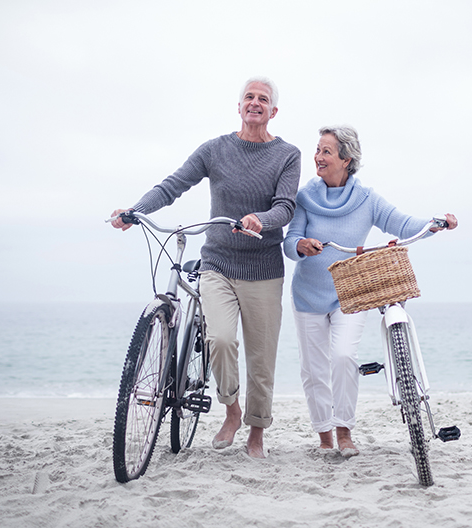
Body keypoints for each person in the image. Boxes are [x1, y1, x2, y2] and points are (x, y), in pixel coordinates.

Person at [110, 77, 301, 458]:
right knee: (220, 340)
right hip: (218, 263)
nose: (255, 103)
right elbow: (173, 185)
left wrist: (260, 220)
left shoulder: (287, 155)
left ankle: (256, 434)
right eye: (249, 97)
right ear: (239, 105)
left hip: (264, 269)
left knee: (261, 361)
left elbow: (286, 207)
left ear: (273, 111)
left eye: (263, 99)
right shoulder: (215, 149)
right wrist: (136, 211)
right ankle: (231, 410)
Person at [283, 125, 457, 456]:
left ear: (346, 159)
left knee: (345, 357)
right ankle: (324, 436)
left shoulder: (366, 198)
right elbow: (290, 240)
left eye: (326, 151)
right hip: (307, 294)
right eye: (317, 150)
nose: (318, 157)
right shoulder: (305, 197)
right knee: (313, 369)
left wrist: (436, 224)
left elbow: (403, 224)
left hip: (349, 295)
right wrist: (302, 246)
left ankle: (344, 431)